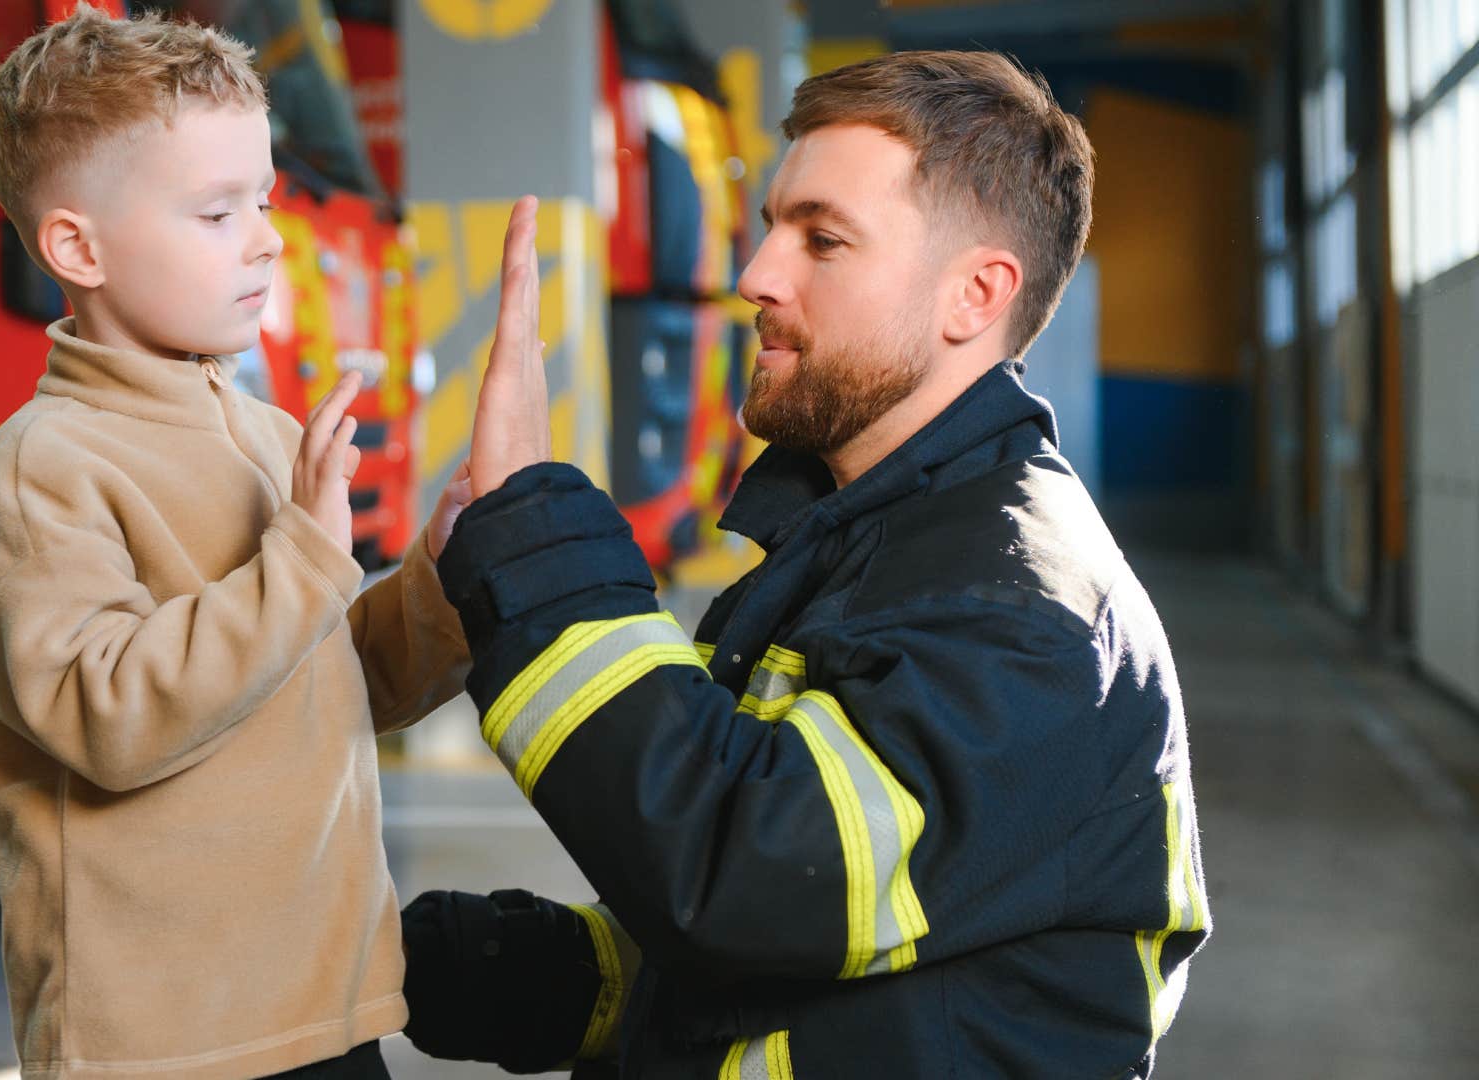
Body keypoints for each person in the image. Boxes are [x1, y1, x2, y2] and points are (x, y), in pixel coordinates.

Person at [402, 51, 1210, 1078]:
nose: (757, 277)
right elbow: (766, 963)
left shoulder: (1020, 609)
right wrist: (449, 967)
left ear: (976, 293)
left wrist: (533, 536)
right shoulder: (864, 542)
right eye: (773, 225)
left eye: (822, 239)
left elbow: (746, 881)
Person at [0, 8, 494, 1076]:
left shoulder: (264, 432)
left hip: (323, 1011)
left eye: (264, 200)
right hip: (166, 1042)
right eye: (214, 212)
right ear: (77, 247)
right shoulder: (44, 466)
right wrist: (302, 555)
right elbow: (104, 715)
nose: (264, 238)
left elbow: (325, 679)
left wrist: (442, 575)